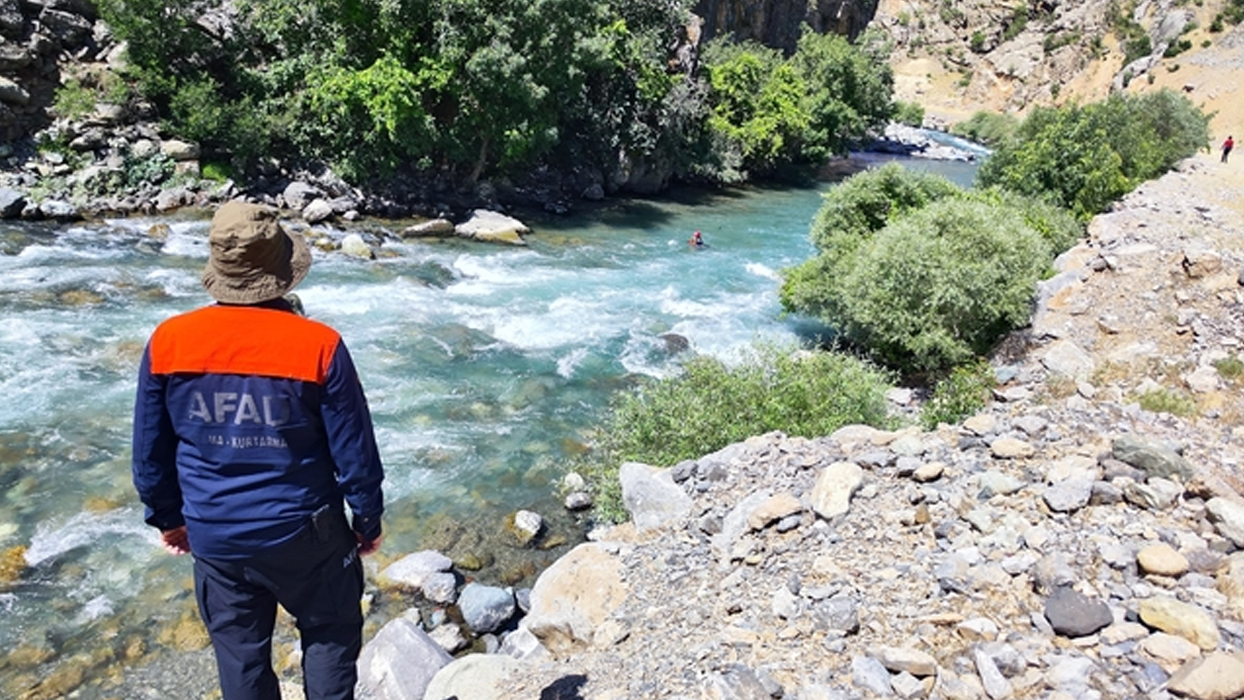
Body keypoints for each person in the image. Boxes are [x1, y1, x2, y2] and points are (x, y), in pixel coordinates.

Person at [132, 201, 385, 700]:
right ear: (282, 274)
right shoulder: (320, 346)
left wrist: (168, 518)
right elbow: (355, 451)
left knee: (241, 657)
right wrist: (367, 520)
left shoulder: (168, 342)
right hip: (307, 533)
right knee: (330, 635)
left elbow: (149, 451)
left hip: (216, 533)